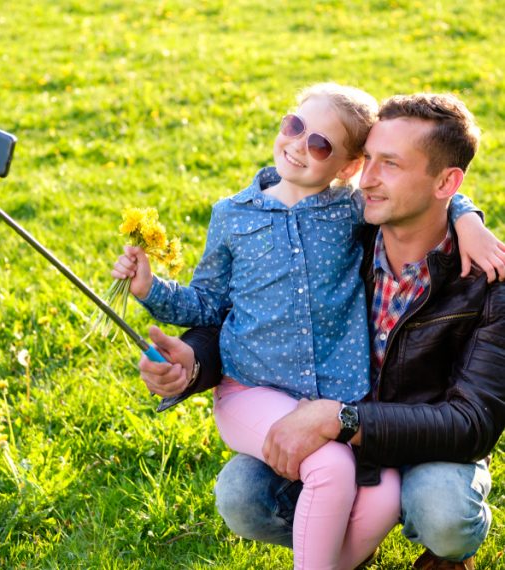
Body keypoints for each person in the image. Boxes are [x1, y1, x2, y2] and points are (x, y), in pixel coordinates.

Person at [112, 85, 504, 569]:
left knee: (435, 508)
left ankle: (439, 555)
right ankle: (336, 543)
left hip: (415, 436)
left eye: (391, 165)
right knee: (244, 492)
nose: (368, 182)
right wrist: (193, 362)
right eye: (370, 161)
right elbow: (244, 309)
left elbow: (473, 424)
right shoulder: (341, 225)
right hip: (308, 409)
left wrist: (467, 218)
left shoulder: (481, 277)